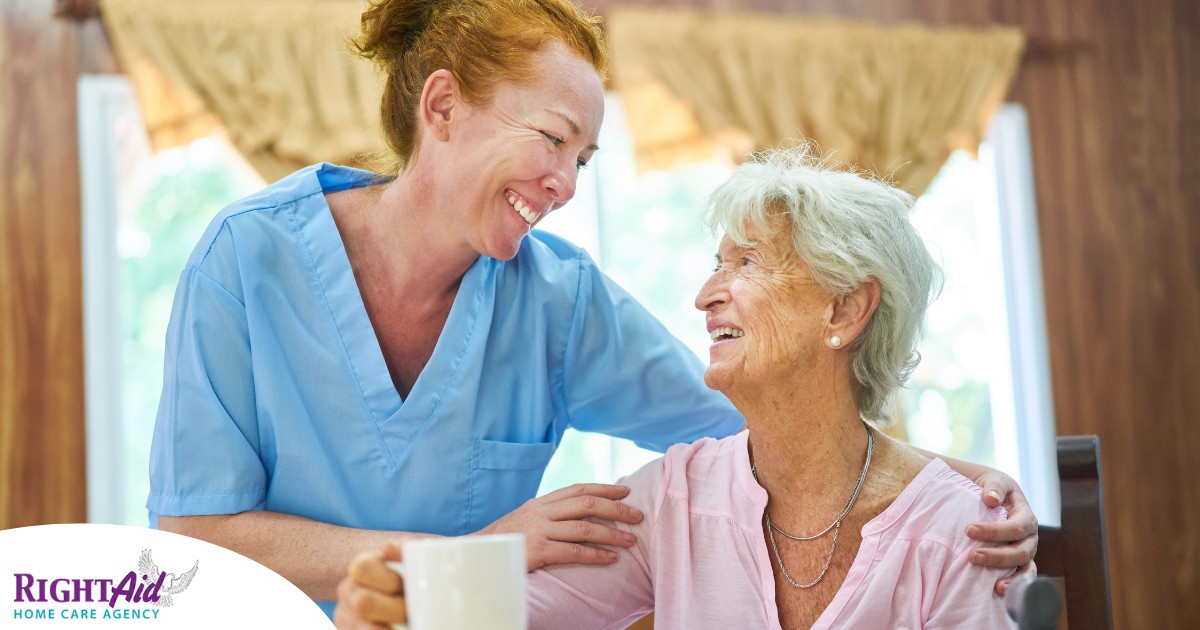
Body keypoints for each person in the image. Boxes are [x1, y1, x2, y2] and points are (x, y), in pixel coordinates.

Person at [148, 0, 1035, 618]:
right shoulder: (248, 258)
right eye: (551, 140)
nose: (565, 185)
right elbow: (198, 534)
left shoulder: (558, 301)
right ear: (444, 105)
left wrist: (939, 481)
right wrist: (470, 552)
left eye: (585, 159)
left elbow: (766, 413)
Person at [335, 147, 1026, 629]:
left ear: (843, 310)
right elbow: (506, 618)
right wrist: (401, 606)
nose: (703, 296)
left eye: (747, 263)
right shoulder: (673, 498)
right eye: (713, 265)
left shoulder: (963, 533)